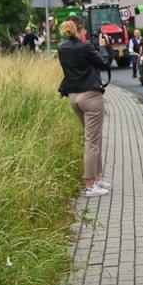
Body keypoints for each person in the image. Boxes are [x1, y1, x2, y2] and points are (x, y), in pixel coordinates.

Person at [56, 19, 111, 198]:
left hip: (74, 97)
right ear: (81, 29)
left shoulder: (62, 47)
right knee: (93, 141)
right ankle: (90, 184)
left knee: (92, 139)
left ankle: (97, 177)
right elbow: (104, 63)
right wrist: (103, 47)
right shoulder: (85, 46)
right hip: (90, 96)